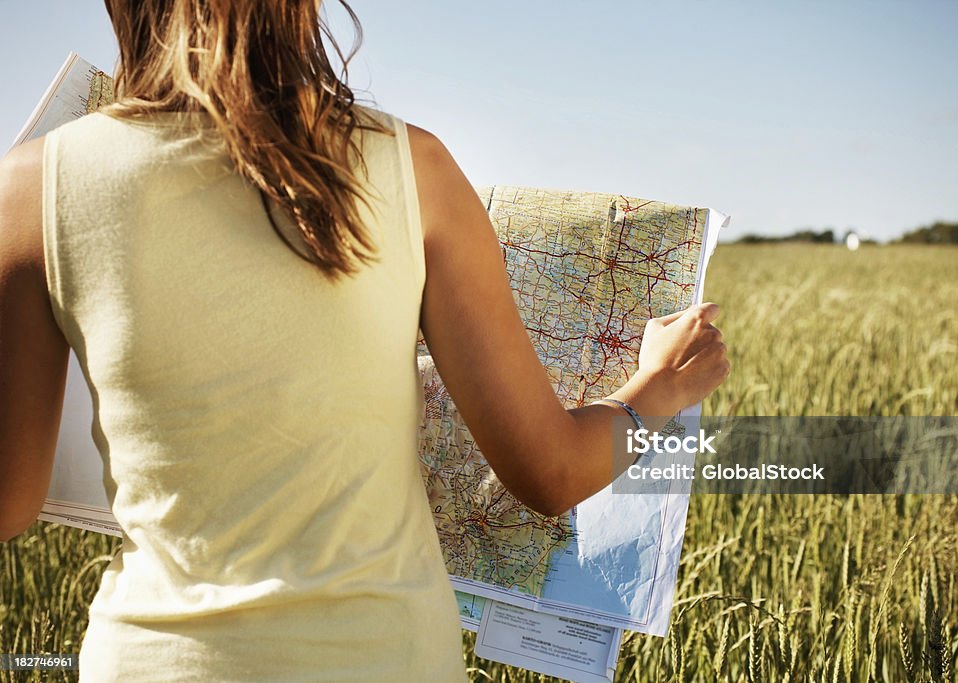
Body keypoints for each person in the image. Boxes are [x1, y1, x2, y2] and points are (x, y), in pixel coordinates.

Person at [0, 1, 729, 680]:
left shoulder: (32, 189)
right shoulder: (416, 170)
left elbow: (8, 503)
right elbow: (551, 473)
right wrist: (652, 390)